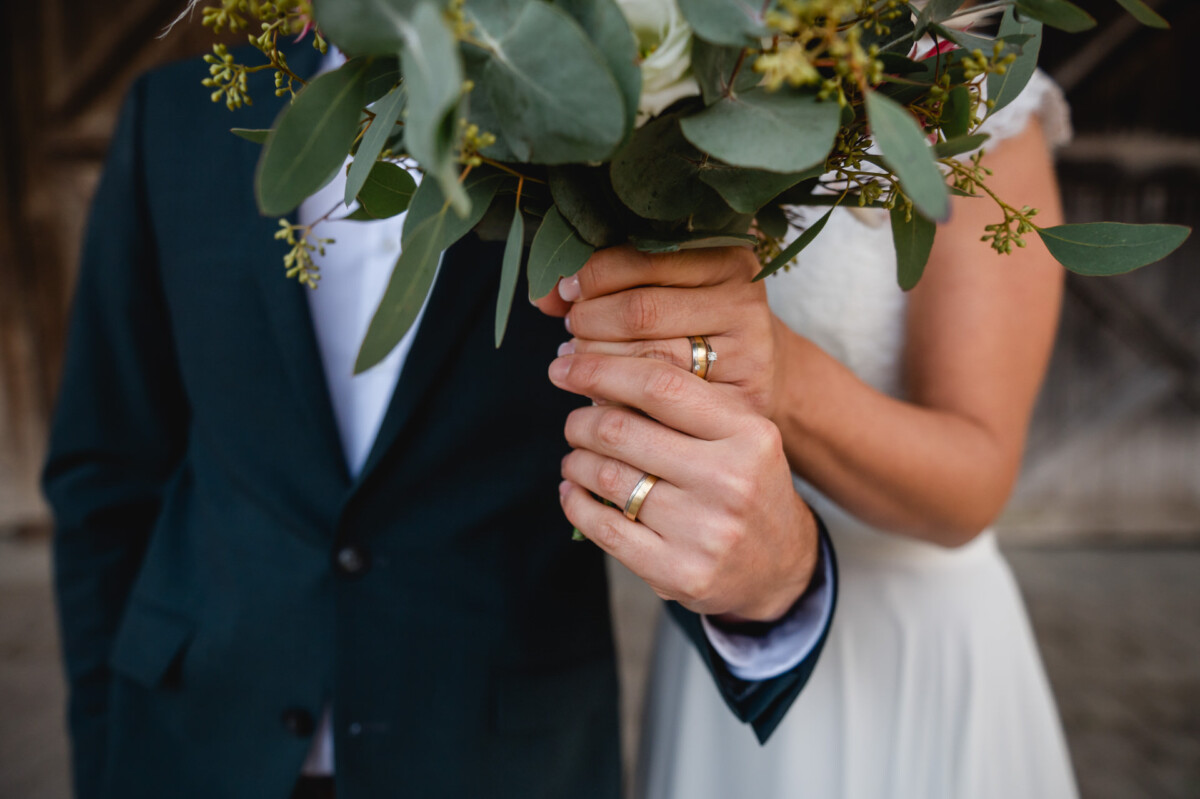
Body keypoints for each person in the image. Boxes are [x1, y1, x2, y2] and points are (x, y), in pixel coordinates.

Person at [42, 44, 836, 799]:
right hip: (190, 742)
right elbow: (104, 471)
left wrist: (768, 594)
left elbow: (665, 445)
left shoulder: (614, 137)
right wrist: (106, 739)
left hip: (499, 758)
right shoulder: (176, 115)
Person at [558, 71, 1080, 798]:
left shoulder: (965, 95)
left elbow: (978, 478)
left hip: (906, 645)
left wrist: (776, 370)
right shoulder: (669, 76)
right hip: (728, 635)